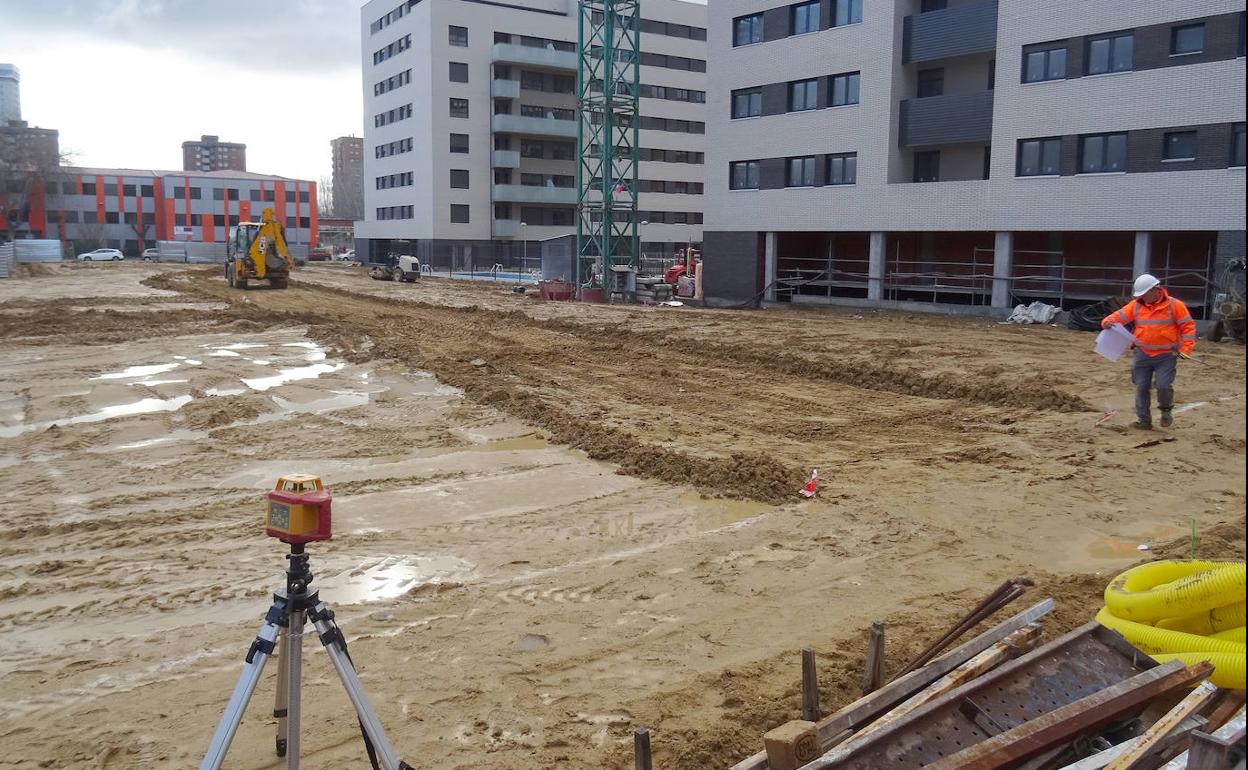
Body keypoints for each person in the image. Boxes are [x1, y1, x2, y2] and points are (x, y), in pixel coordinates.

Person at [1101, 274, 1196, 429]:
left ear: (1155, 290)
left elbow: (1188, 327)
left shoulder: (1175, 305)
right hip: (1142, 354)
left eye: (1144, 294)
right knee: (1141, 387)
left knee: (1163, 386)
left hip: (1166, 355)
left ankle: (1166, 411)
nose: (1142, 298)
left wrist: (1186, 348)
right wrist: (1107, 322)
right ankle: (1144, 421)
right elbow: (1118, 316)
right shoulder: (1136, 305)